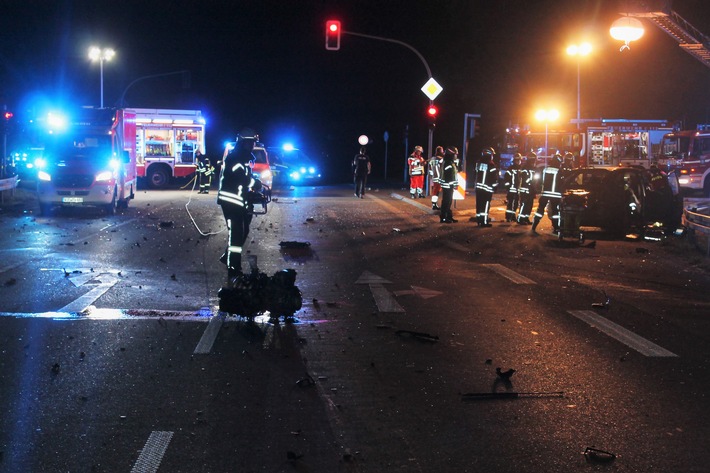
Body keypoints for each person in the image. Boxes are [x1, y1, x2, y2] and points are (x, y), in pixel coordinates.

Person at [217, 129, 263, 283]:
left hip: (239, 201)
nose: (253, 145)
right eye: (251, 142)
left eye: (254, 142)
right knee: (236, 236)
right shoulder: (235, 158)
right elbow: (241, 178)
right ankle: (233, 269)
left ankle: (227, 257)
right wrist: (255, 184)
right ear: (244, 143)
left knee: (243, 231)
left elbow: (245, 178)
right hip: (231, 202)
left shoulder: (242, 158)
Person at [531, 151, 563, 233]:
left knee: (540, 210)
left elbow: (540, 180)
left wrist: (538, 189)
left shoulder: (545, 170)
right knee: (555, 212)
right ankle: (556, 227)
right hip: (555, 195)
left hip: (545, 193)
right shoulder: (560, 171)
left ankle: (534, 225)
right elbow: (562, 183)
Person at [474, 147, 498, 227]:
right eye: (492, 155)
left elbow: (475, 174)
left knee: (479, 204)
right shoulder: (491, 164)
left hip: (478, 188)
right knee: (485, 205)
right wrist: (495, 187)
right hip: (487, 189)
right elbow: (493, 178)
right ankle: (484, 221)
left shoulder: (479, 163)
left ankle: (479, 220)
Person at [439, 146, 459, 223]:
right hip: (447, 185)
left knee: (449, 201)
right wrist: (453, 185)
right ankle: (444, 217)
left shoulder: (450, 162)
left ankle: (449, 216)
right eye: (455, 154)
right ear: (451, 154)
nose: (456, 156)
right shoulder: (447, 162)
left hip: (449, 185)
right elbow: (448, 176)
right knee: (446, 202)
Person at [517, 151, 537, 225]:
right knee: (524, 205)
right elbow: (524, 178)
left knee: (529, 205)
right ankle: (520, 219)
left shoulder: (533, 168)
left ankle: (526, 218)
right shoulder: (525, 167)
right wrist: (530, 182)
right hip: (525, 190)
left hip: (531, 190)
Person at [504, 153, 522, 222]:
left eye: (519, 160)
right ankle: (508, 217)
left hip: (517, 189)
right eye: (517, 160)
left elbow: (521, 179)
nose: (518, 162)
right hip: (511, 189)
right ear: (514, 161)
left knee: (516, 204)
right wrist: (508, 187)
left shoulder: (520, 169)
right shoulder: (510, 169)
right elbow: (506, 178)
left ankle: (513, 216)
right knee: (510, 203)